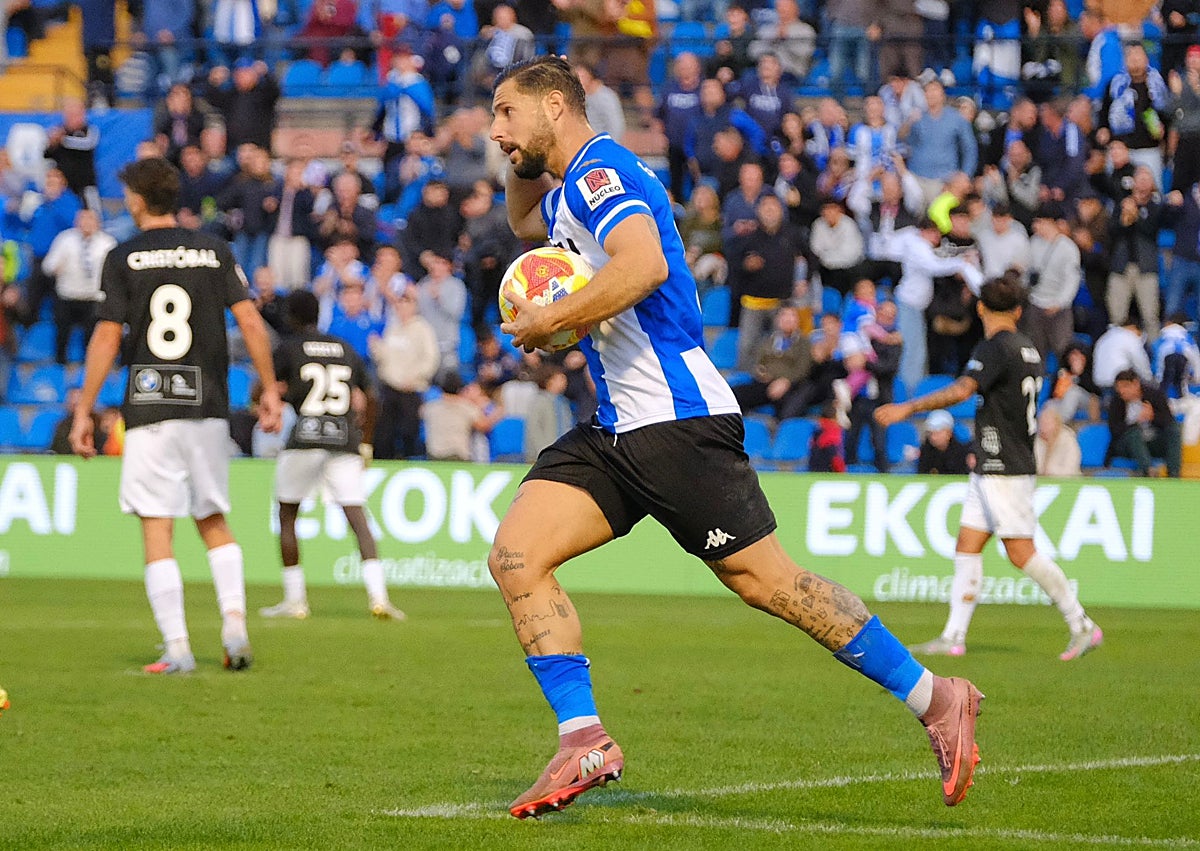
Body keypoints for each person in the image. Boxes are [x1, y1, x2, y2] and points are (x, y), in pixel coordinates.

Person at [488, 55, 982, 820]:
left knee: (770, 584)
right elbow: (523, 222)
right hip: (621, 424)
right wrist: (523, 156)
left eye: (506, 114)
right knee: (518, 554)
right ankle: (583, 736)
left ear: (556, 106)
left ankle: (936, 696)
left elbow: (644, 264)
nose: (494, 130)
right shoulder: (565, 190)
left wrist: (555, 316)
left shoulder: (598, 173)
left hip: (679, 421)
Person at [69, 157, 283, 674]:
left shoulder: (122, 256)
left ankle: (179, 647)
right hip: (207, 407)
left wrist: (84, 407)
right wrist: (270, 389)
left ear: (139, 199)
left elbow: (105, 335)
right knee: (212, 520)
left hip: (149, 409)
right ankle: (234, 625)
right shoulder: (213, 249)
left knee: (157, 526)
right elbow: (250, 322)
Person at [876, 275, 1103, 661]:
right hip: (992, 464)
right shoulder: (1029, 347)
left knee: (1020, 553)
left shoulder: (996, 348)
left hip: (1006, 467)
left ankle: (1081, 624)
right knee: (967, 545)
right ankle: (953, 636)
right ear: (1017, 310)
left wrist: (908, 408)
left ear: (980, 308)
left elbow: (963, 390)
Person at [261, 291, 405, 621]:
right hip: (344, 439)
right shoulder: (344, 348)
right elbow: (370, 396)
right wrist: (365, 439)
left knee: (287, 515)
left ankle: (295, 601)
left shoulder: (290, 347)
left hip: (305, 437)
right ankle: (379, 598)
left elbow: (268, 386)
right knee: (358, 519)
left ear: (293, 317)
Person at [41, 208, 116, 364]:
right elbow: (47, 266)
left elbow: (114, 272)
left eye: (91, 219)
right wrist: (57, 266)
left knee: (92, 338)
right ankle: (59, 367)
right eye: (83, 219)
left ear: (98, 222)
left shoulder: (107, 243)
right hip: (67, 297)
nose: (87, 223)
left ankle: (89, 368)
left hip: (93, 298)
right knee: (62, 335)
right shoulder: (64, 239)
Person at [1108, 369, 1184, 477]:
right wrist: (1135, 422)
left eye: (1125, 386)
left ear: (1136, 384)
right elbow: (1115, 430)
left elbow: (1168, 421)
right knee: (1133, 432)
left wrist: (1152, 417)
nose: (1122, 391)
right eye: (1118, 387)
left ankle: (1174, 474)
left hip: (1152, 442)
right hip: (1128, 446)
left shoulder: (1155, 395)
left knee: (1174, 430)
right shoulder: (1116, 402)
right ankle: (1148, 471)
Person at [916, 409, 972, 474]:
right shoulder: (925, 452)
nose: (933, 437)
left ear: (949, 433)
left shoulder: (962, 453)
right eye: (931, 432)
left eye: (938, 432)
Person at [1034, 401, 1082, 476]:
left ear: (1057, 423)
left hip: (1066, 482)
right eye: (1042, 422)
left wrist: (1051, 470)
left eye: (1048, 423)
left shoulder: (1068, 440)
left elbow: (1071, 468)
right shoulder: (1036, 441)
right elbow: (1034, 467)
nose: (1043, 427)